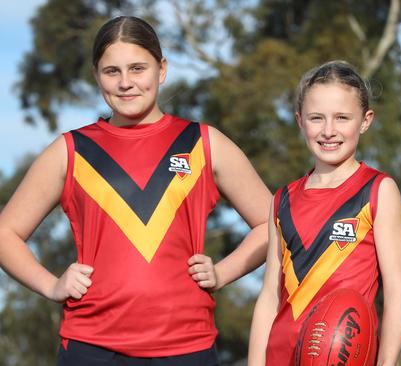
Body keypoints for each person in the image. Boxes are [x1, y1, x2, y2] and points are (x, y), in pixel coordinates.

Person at [0, 16, 271, 365]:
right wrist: (51, 284)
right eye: (112, 71)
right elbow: (6, 233)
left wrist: (223, 272)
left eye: (137, 68)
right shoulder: (72, 150)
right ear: (96, 75)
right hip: (92, 348)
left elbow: (272, 224)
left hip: (187, 347)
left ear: (162, 69)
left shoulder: (203, 143)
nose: (126, 83)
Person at [247, 60, 401, 365]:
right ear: (300, 121)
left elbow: (397, 291)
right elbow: (269, 295)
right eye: (316, 118)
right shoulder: (282, 199)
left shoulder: (378, 191)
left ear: (365, 120)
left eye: (342, 118)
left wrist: (387, 362)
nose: (329, 131)